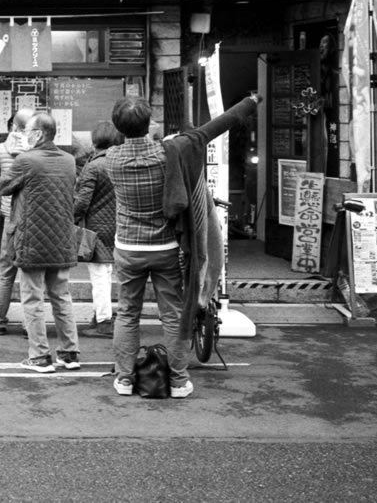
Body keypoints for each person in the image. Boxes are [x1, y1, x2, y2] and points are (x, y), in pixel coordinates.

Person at [107, 93, 262, 398]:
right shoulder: (171, 152)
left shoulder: (110, 158)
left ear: (118, 127)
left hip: (127, 247)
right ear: (150, 123)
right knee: (173, 315)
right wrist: (252, 101)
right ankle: (178, 381)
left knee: (127, 313)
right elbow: (219, 125)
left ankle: (125, 379)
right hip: (165, 247)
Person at [0, 112, 80, 372]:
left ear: (39, 134)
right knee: (61, 297)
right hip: (62, 239)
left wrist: (16, 155)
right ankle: (69, 353)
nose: (24, 135)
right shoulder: (69, 161)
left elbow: (3, 186)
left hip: (32, 240)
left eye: (28, 131)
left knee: (33, 299)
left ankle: (39, 357)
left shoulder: (26, 160)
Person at [0, 107, 34, 336]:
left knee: (6, 271)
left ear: (13, 125)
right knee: (30, 273)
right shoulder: (36, 151)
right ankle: (29, 324)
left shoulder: (1, 149)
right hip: (33, 216)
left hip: (9, 216)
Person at [73, 120, 124, 339]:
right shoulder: (122, 162)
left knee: (100, 276)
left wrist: (71, 219)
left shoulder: (94, 166)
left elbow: (82, 202)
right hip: (121, 225)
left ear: (96, 141)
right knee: (109, 273)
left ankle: (103, 321)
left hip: (97, 228)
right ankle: (103, 315)